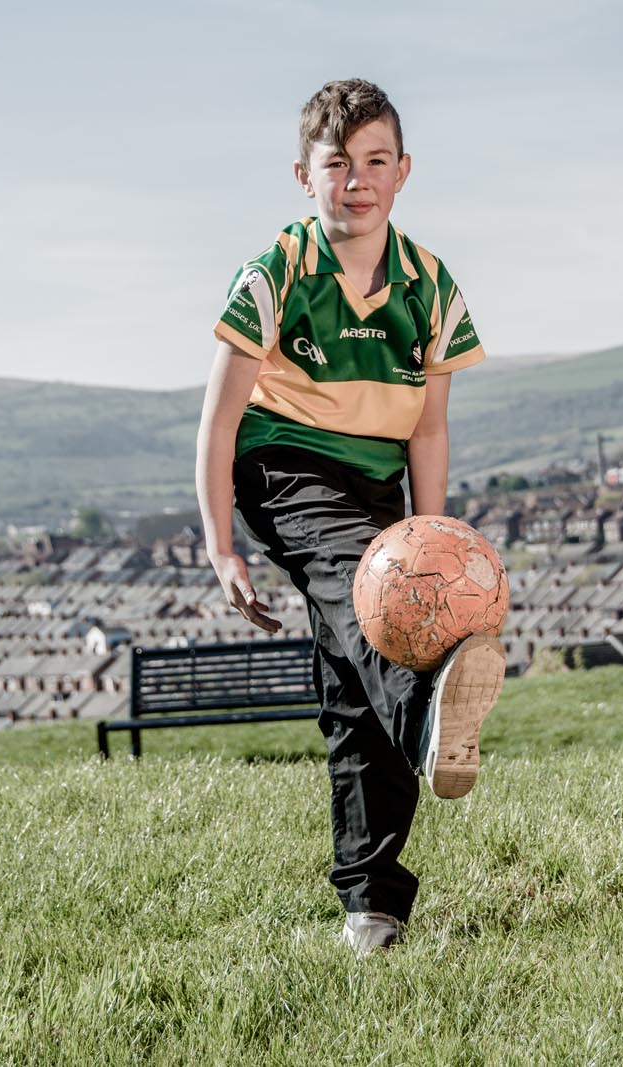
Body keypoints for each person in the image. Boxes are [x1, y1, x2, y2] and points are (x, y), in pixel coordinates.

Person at [194, 78, 506, 955]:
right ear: (306, 176)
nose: (356, 182)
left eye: (374, 163)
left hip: (375, 487)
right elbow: (218, 421)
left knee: (351, 673)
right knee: (354, 584)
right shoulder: (273, 276)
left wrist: (431, 554)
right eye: (338, 166)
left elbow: (432, 425)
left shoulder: (430, 285)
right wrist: (222, 545)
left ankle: (372, 905)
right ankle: (432, 708)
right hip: (283, 468)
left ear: (403, 172)